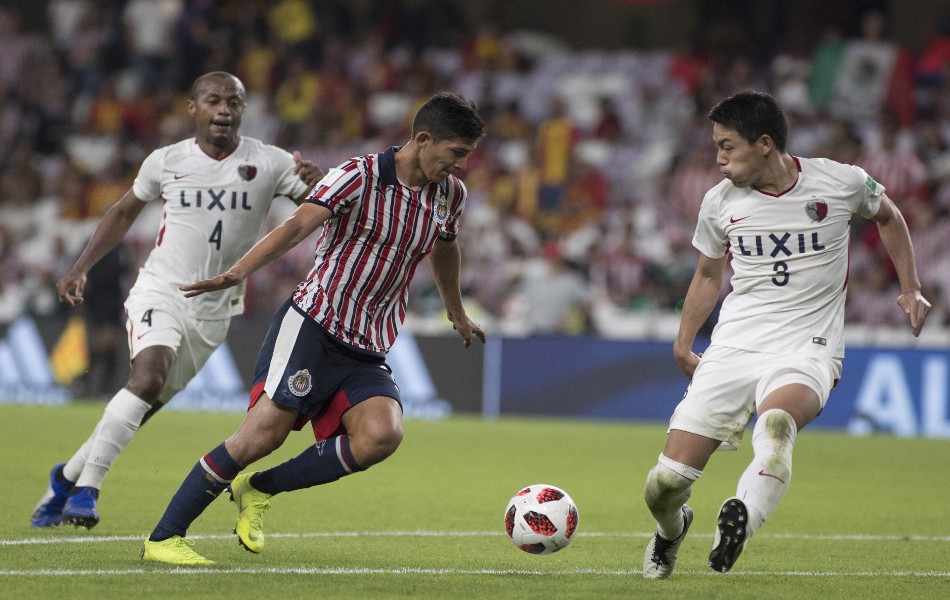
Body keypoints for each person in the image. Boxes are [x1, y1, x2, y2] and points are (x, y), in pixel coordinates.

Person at [140, 91, 486, 565]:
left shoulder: (450, 195)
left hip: (367, 344)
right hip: (313, 326)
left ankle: (258, 489)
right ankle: (164, 537)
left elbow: (446, 249)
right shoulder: (359, 176)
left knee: (381, 436)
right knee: (261, 436)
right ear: (424, 139)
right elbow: (299, 225)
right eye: (457, 153)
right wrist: (238, 271)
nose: (462, 165)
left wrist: (456, 311)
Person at [641, 91, 931, 578]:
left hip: (806, 346)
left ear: (764, 144)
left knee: (776, 428)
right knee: (664, 484)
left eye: (727, 147)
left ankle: (742, 518)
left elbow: (890, 216)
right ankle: (672, 530)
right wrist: (684, 341)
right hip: (734, 345)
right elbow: (709, 275)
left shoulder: (839, 181)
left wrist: (911, 288)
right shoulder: (718, 203)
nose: (718, 160)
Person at [30, 71, 325, 529]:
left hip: (214, 314)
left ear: (243, 110)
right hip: (160, 289)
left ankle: (62, 480)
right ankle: (86, 491)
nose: (224, 109)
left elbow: (320, 206)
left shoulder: (271, 162)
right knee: (146, 378)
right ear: (193, 108)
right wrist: (81, 266)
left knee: (140, 405)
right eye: (213, 100)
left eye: (233, 101)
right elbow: (124, 210)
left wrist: (317, 180)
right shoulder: (165, 161)